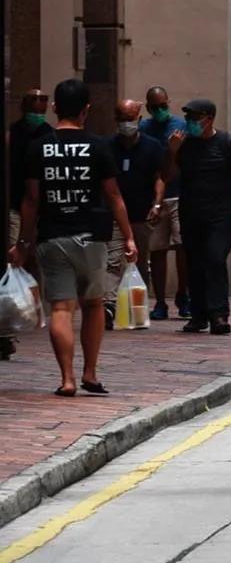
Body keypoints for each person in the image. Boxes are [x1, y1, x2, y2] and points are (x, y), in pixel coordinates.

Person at [12, 76, 136, 397]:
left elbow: (30, 201)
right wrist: (129, 236)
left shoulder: (39, 148)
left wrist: (23, 242)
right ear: (86, 110)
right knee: (93, 305)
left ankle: (66, 378)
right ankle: (90, 374)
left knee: (62, 309)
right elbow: (114, 197)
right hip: (92, 238)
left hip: (52, 237)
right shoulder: (98, 147)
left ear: (54, 108)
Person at [171, 100, 231, 337]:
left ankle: (218, 314)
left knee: (215, 260)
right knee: (194, 264)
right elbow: (168, 175)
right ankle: (198, 315)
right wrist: (171, 151)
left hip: (219, 217)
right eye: (189, 118)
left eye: (196, 117)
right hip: (190, 214)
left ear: (210, 118)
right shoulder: (184, 146)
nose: (192, 122)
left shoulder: (227, 144)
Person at [105, 99, 166, 315]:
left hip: (142, 215)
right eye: (122, 119)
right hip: (115, 217)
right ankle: (110, 307)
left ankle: (135, 309)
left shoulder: (152, 146)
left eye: (129, 119)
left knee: (139, 263)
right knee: (113, 262)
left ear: (138, 119)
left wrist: (157, 203)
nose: (126, 124)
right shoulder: (108, 147)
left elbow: (160, 177)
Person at [1, 87, 48, 361]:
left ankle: (35, 307)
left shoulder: (48, 135)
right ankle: (15, 307)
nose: (37, 112)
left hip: (43, 208)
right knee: (15, 256)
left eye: (42, 107)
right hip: (17, 205)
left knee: (36, 260)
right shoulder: (13, 134)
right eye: (33, 107)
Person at [143, 84, 189, 320]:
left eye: (164, 105)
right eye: (156, 107)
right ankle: (160, 301)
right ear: (149, 108)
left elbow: (182, 165)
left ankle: (183, 294)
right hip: (155, 197)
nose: (161, 110)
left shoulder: (180, 127)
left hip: (178, 194)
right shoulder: (144, 128)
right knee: (157, 250)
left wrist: (174, 151)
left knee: (183, 246)